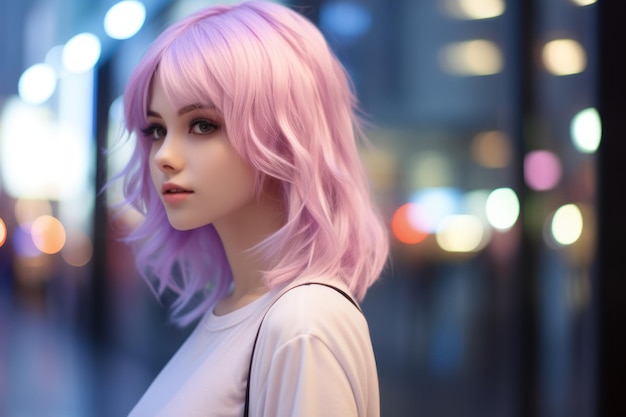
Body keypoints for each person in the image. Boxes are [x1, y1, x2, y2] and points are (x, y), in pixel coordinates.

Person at [112, 1, 389, 416]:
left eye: (202, 124)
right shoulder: (239, 310)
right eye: (156, 129)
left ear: (282, 131)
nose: (163, 155)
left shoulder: (303, 325)